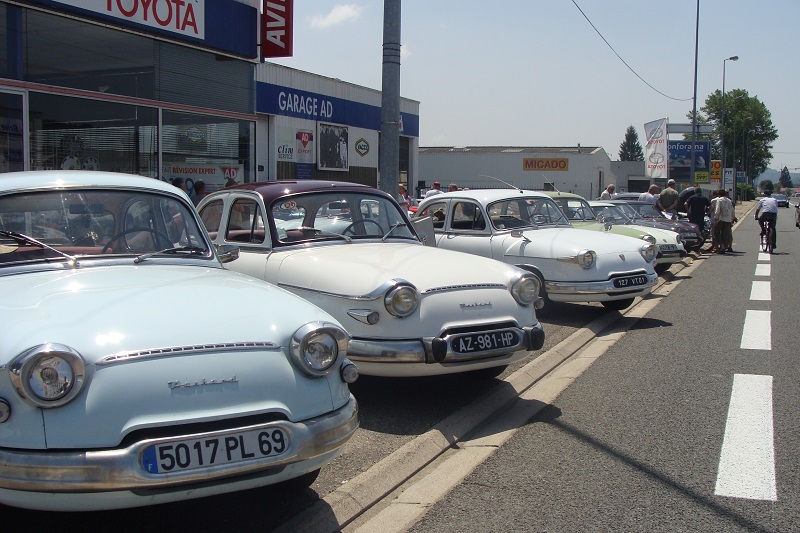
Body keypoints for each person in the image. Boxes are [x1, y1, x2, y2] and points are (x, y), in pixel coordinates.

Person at [713, 189, 737, 253]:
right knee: (725, 234)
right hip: (728, 220)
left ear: (719, 194)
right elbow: (732, 210)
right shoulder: (729, 200)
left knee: (716, 232)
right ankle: (724, 246)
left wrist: (716, 217)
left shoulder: (719, 200)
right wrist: (733, 218)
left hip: (721, 219)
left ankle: (722, 245)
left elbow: (717, 210)